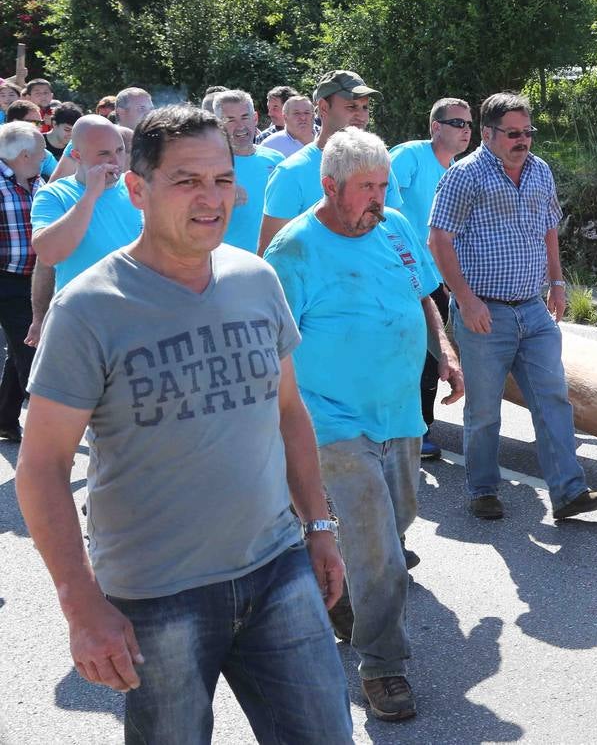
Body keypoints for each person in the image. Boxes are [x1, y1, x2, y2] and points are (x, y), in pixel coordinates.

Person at [16, 105, 354, 744]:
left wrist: (319, 525)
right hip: (156, 593)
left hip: (276, 566)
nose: (211, 198)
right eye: (187, 181)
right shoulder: (87, 308)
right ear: (137, 190)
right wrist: (81, 603)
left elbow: (287, 413)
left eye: (222, 180)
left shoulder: (256, 279)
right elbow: (41, 467)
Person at [264, 128, 463, 722]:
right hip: (331, 420)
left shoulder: (395, 227)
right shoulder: (294, 250)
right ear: (329, 186)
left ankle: (336, 588)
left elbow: (423, 294)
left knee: (398, 520)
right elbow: (272, 347)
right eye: (366, 188)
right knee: (379, 548)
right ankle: (382, 666)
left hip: (399, 411)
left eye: (383, 185)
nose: (379, 198)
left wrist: (444, 352)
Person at [429, 91, 597, 522]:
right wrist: (466, 300)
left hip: (532, 309)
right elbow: (439, 240)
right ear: (488, 133)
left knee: (553, 400)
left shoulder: (539, 171)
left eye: (528, 132)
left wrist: (558, 281)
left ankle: (569, 493)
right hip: (484, 311)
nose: (523, 140)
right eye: (513, 133)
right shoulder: (464, 176)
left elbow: (549, 227)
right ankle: (483, 490)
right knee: (485, 409)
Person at [390, 97, 473, 460]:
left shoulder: (456, 170)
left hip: (437, 277)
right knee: (417, 354)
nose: (465, 130)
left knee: (432, 356)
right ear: (435, 127)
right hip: (401, 274)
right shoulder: (409, 156)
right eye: (457, 123)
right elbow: (383, 204)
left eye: (469, 124)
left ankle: (420, 427)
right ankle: (415, 429)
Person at [259, 70, 403, 252]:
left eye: (365, 107)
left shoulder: (378, 166)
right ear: (324, 107)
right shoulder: (291, 173)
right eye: (351, 107)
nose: (362, 116)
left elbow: (394, 235)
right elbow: (272, 255)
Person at [31, 116, 143, 293]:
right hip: (82, 313)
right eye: (103, 153)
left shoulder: (137, 186)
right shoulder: (53, 194)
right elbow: (48, 254)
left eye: (120, 150)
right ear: (77, 156)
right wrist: (90, 196)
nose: (115, 161)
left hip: (139, 306)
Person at [0, 122, 47, 442]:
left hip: (33, 279)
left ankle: (4, 418)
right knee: (32, 355)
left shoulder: (35, 179)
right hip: (7, 280)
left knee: (25, 348)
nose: (46, 157)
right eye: (42, 152)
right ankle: (49, 438)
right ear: (25, 155)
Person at [213, 90, 285, 251]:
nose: (240, 126)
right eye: (230, 120)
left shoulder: (277, 159)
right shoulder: (208, 166)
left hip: (274, 261)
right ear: (218, 124)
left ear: (255, 118)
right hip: (228, 265)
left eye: (245, 117)